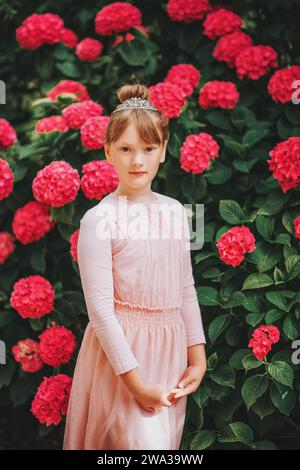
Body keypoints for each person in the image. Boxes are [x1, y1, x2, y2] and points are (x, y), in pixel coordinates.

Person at [63, 82, 207, 450]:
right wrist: (136, 383)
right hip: (123, 360)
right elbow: (100, 312)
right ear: (108, 151)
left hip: (170, 354)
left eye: (148, 148)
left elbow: (185, 287)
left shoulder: (176, 211)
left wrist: (198, 356)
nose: (137, 161)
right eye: (126, 149)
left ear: (163, 151)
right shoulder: (100, 219)